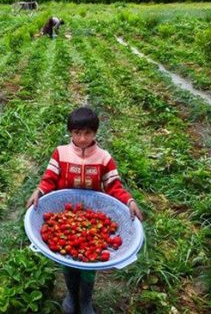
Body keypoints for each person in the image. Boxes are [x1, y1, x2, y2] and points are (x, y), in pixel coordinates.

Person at [26, 106, 143, 314]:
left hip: (93, 214)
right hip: (64, 212)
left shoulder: (103, 158)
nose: (82, 139)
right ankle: (72, 295)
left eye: (87, 133)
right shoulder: (60, 153)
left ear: (95, 133)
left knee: (90, 266)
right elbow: (50, 178)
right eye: (77, 133)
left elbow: (114, 185)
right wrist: (39, 191)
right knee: (69, 264)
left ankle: (86, 299)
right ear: (70, 132)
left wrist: (129, 201)